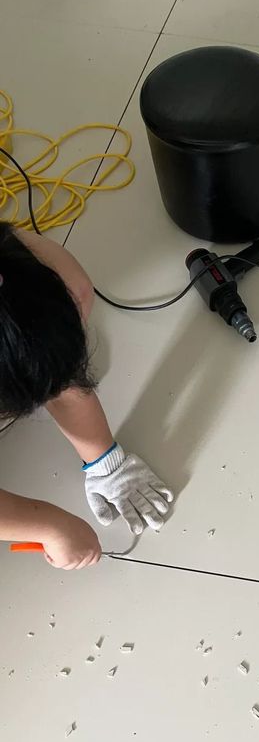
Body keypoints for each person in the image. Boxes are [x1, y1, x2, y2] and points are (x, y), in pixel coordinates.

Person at [0, 221, 173, 569]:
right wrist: (50, 526)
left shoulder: (71, 286)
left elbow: (64, 380)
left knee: (75, 292)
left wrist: (106, 463)